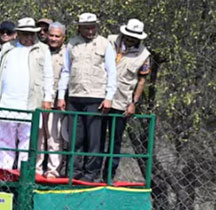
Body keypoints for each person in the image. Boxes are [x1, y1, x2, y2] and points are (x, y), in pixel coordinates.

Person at [56, 13, 116, 182]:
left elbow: (111, 72)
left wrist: (109, 97)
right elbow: (66, 70)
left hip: (96, 97)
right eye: (86, 27)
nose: (90, 31)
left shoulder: (105, 44)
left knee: (94, 139)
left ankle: (91, 173)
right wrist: (61, 96)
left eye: (93, 27)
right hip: (75, 96)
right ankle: (73, 171)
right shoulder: (72, 44)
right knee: (75, 137)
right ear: (79, 28)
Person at [0, 17, 53, 170]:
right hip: (8, 100)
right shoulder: (7, 48)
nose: (28, 37)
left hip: (31, 102)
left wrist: (48, 98)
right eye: (25, 33)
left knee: (27, 139)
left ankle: (23, 172)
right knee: (5, 138)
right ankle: (5, 171)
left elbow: (48, 75)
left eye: (31, 34)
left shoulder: (42, 49)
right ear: (18, 34)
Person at [103, 18, 151, 181]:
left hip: (121, 101)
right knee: (95, 137)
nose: (130, 39)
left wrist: (133, 103)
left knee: (115, 140)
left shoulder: (144, 55)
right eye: (128, 36)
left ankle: (109, 175)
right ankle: (91, 173)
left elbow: (141, 81)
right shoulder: (109, 42)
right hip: (100, 96)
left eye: (134, 37)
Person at [35, 22, 68, 178]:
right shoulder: (40, 49)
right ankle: (36, 168)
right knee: (38, 137)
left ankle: (53, 170)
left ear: (63, 37)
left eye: (57, 36)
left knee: (54, 137)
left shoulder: (67, 53)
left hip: (56, 103)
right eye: (51, 35)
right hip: (38, 100)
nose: (53, 39)